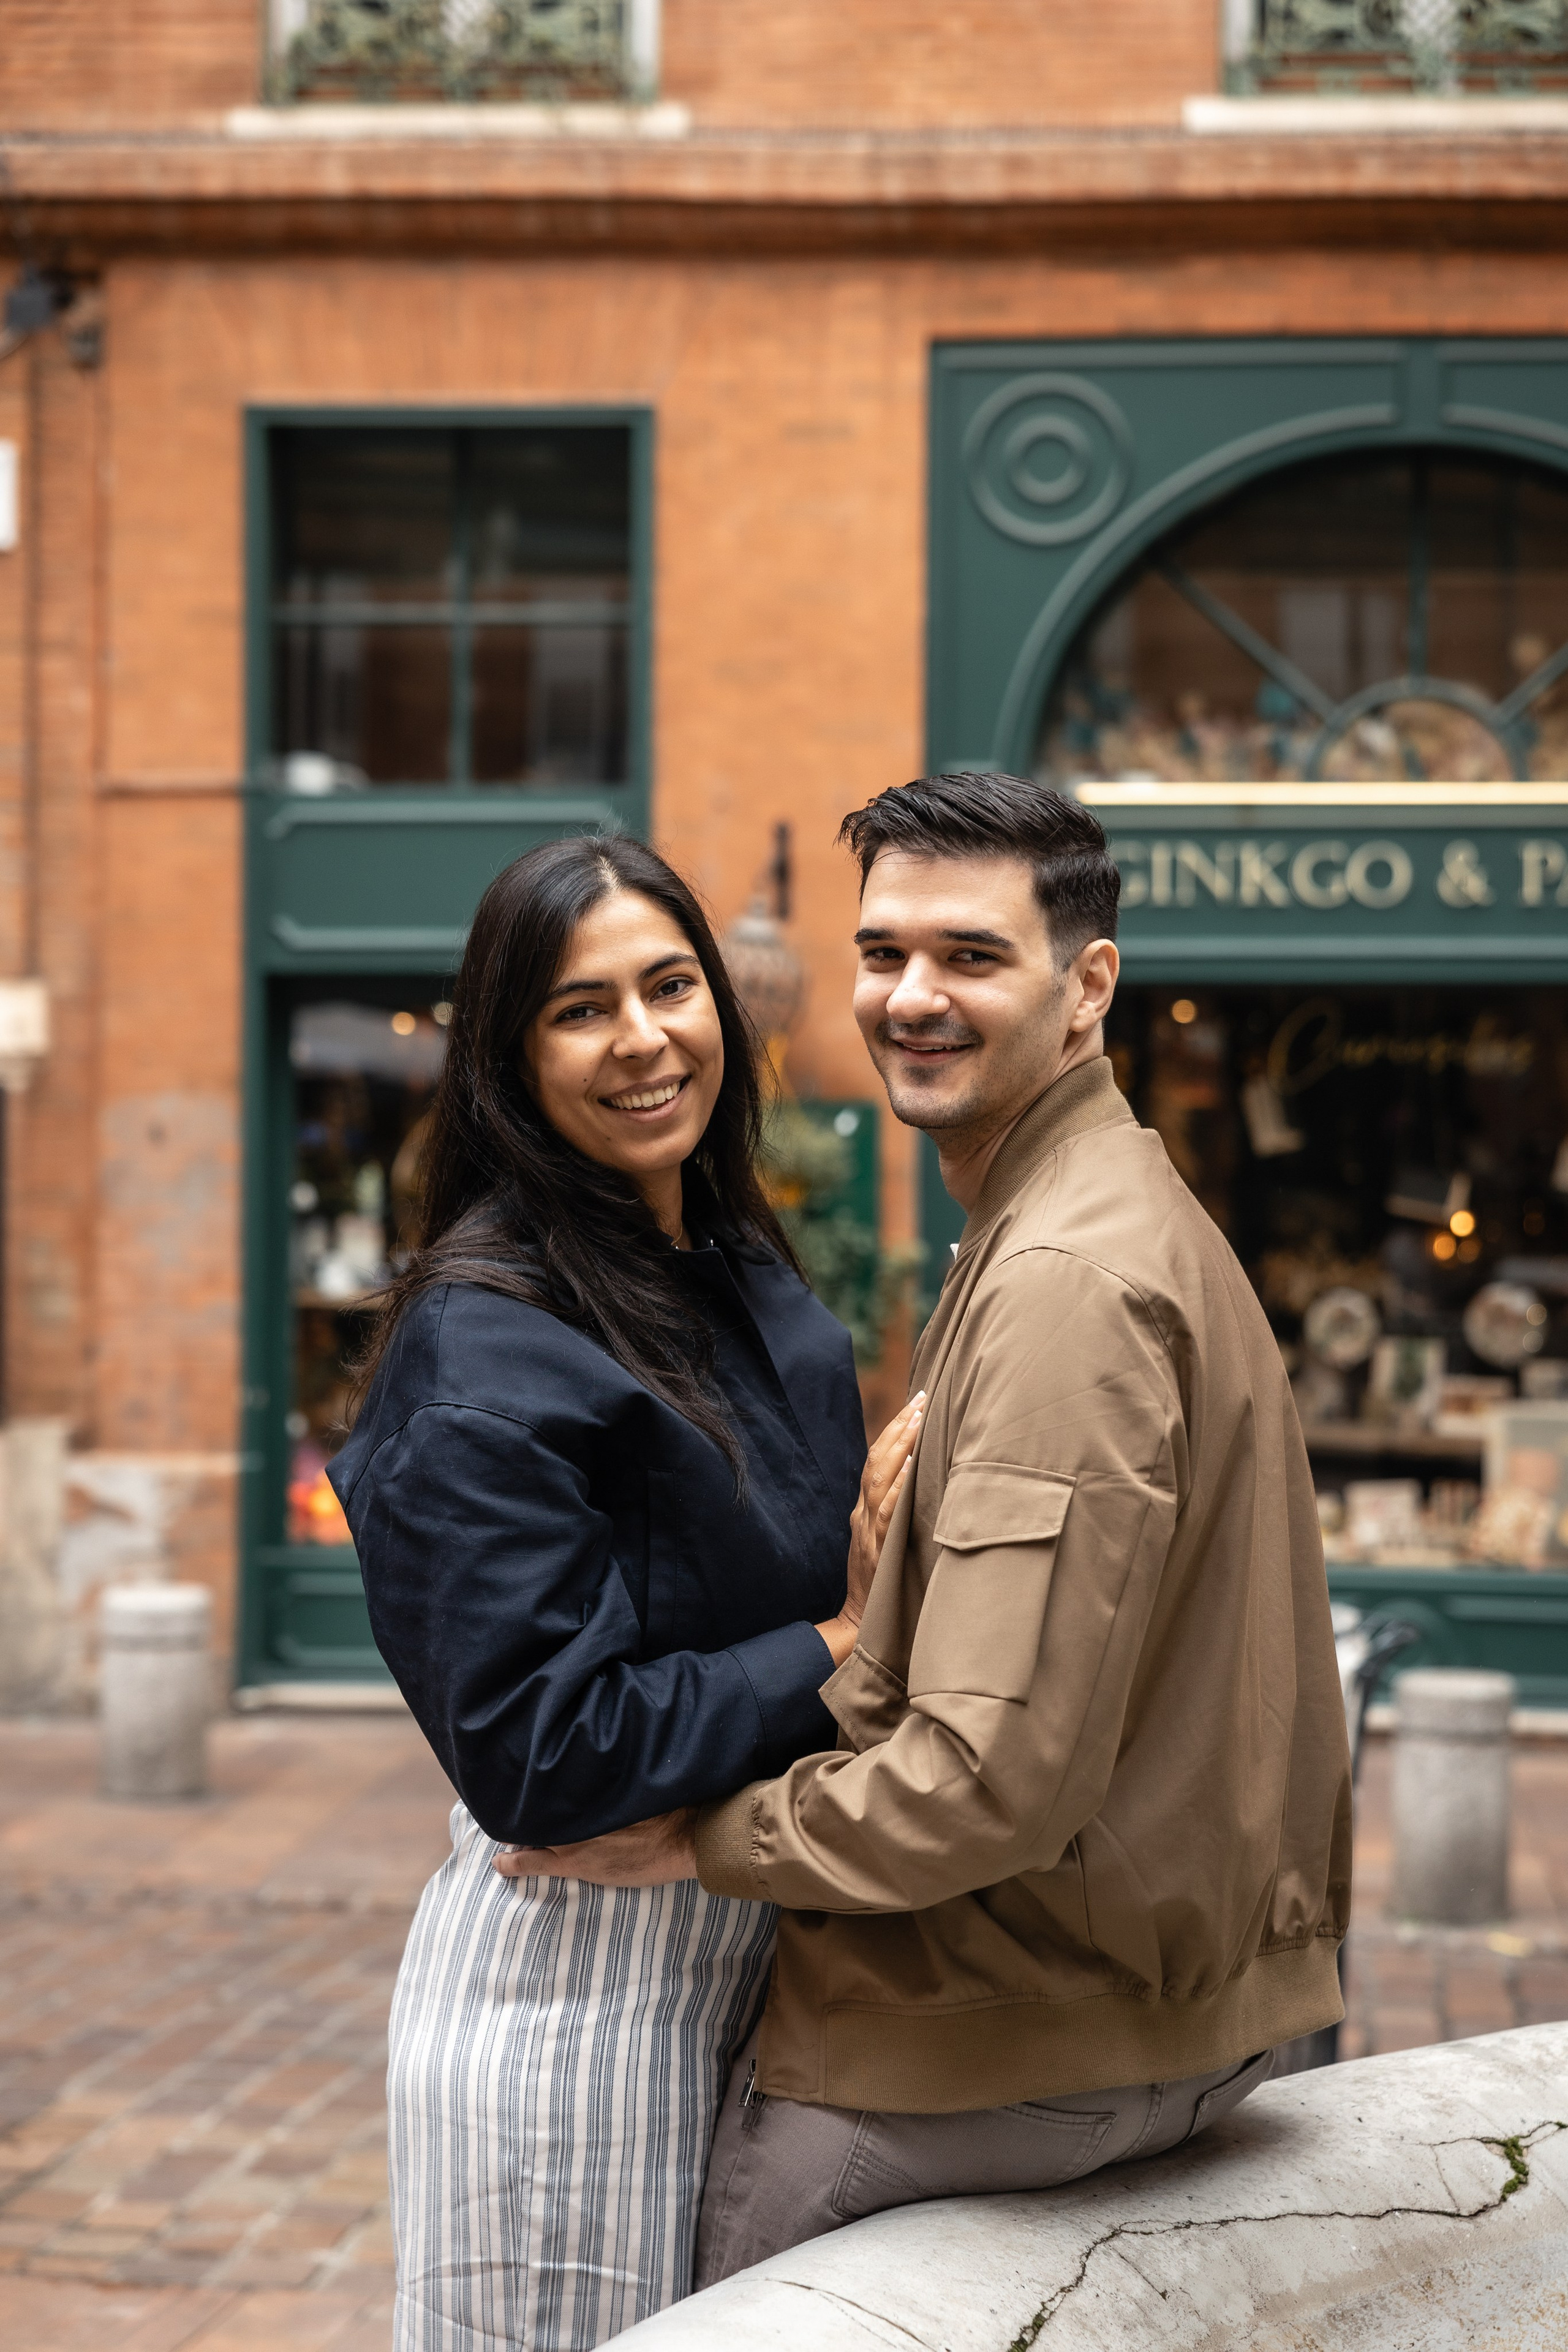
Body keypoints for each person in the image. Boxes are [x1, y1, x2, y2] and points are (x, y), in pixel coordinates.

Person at [496, 773, 1353, 2283]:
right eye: (883, 953)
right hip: (1153, 2017)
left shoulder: (1062, 1282)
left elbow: (980, 1781)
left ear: (1087, 985)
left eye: (969, 955)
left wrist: (698, 1841)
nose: (910, 997)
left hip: (981, 2047)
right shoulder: (1084, 1208)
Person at [330, 834, 921, 2350]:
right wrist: (849, 1642)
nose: (645, 1038)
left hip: (743, 1961)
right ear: (510, 1058)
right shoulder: (479, 1348)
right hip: (569, 2012)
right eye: (581, 1008)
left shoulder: (733, 1268)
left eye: (670, 985)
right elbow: (544, 1756)